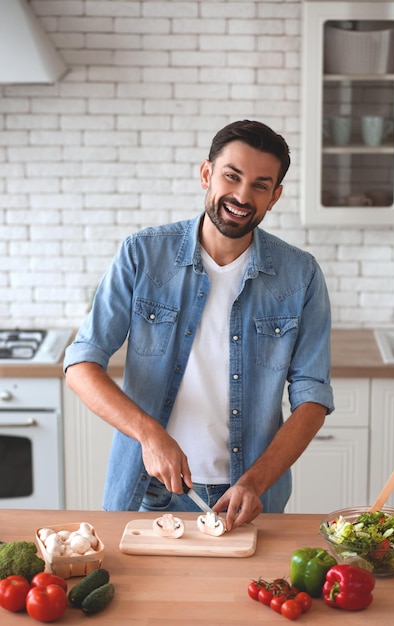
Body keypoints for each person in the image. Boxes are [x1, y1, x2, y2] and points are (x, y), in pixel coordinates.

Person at [64, 119, 334, 531]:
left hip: (249, 498)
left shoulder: (301, 275)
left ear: (274, 196)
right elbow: (80, 366)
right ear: (206, 173)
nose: (243, 196)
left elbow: (312, 398)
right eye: (232, 176)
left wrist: (256, 482)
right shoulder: (142, 255)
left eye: (260, 185)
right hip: (150, 491)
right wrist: (149, 434)